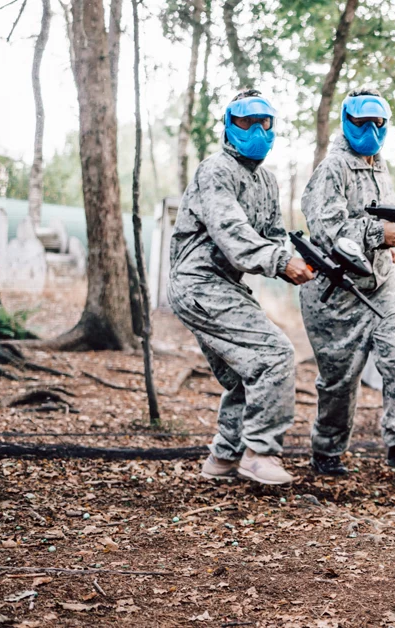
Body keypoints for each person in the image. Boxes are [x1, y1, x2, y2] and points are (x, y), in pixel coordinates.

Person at [169, 90, 314, 486]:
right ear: (230, 126)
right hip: (198, 284)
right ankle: (259, 453)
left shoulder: (266, 180)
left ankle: (223, 458)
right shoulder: (216, 170)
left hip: (223, 286)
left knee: (243, 371)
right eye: (247, 122)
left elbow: (272, 234)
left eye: (264, 123)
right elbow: (231, 231)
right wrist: (280, 262)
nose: (257, 131)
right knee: (274, 354)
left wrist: (301, 260)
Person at [300, 89, 395, 475]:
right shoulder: (333, 168)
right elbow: (326, 229)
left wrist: (387, 246)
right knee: (339, 380)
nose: (370, 130)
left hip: (381, 283)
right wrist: (377, 234)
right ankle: (327, 451)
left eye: (378, 123)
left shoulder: (380, 167)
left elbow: (382, 218)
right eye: (361, 122)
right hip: (336, 290)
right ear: (346, 122)